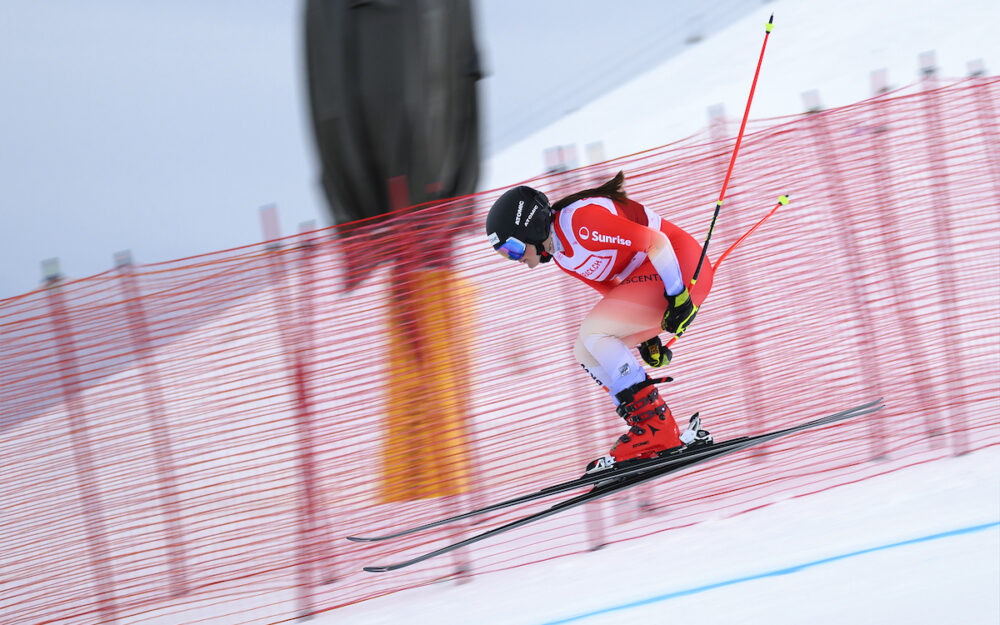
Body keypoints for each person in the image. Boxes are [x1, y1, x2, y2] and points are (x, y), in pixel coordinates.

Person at [485, 171, 714, 470]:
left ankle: (656, 428)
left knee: (595, 332)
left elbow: (656, 242)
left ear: (530, 228)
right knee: (586, 349)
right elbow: (616, 294)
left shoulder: (580, 225)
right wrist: (647, 336)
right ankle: (646, 426)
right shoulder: (563, 255)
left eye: (513, 249)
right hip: (657, 278)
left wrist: (678, 296)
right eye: (505, 255)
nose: (516, 259)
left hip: (679, 266)